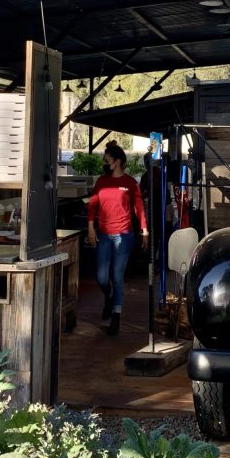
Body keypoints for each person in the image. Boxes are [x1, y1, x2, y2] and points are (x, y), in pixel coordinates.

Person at [87, 141, 148, 335]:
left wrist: (144, 229)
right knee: (101, 277)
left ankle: (116, 315)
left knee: (117, 275)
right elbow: (93, 206)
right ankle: (109, 295)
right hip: (104, 234)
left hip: (124, 234)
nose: (105, 163)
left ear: (118, 161)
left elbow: (139, 207)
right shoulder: (102, 182)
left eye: (107, 160)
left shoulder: (130, 183)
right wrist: (91, 228)